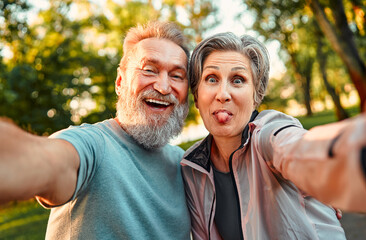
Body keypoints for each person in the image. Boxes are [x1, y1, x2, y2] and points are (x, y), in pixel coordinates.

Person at [0, 21, 191, 239]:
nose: (163, 87)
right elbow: (49, 160)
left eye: (177, 76)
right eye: (149, 70)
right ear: (120, 82)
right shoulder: (93, 145)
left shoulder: (186, 165)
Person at [181, 32, 366, 240]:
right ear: (196, 96)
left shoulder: (268, 135)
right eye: (212, 79)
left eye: (238, 80)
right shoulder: (192, 169)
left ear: (256, 96)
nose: (223, 94)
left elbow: (297, 147)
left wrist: (343, 161)